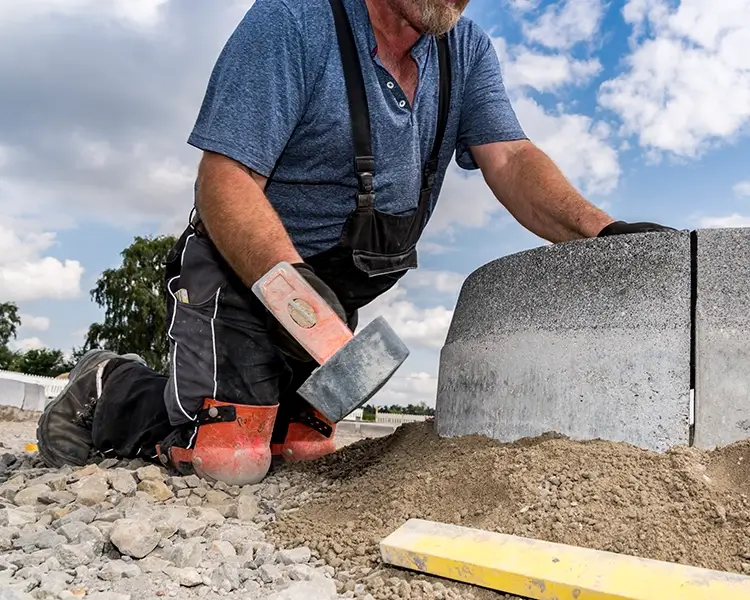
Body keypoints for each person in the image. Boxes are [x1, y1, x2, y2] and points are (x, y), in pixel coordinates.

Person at [36, 0, 673, 485]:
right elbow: (223, 181)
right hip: (243, 278)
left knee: (305, 451)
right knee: (231, 458)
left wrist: (602, 232)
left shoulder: (466, 51)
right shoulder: (293, 22)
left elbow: (508, 157)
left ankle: (270, 407)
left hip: (331, 302)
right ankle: (108, 385)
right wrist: (295, 298)